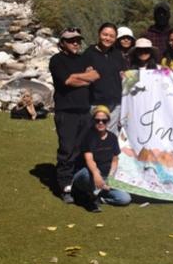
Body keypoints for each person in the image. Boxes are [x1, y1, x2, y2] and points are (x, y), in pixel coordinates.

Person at [49, 27, 99, 203]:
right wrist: (85, 77)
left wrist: (81, 78)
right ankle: (65, 187)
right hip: (66, 112)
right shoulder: (56, 60)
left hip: (84, 111)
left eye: (78, 40)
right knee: (67, 149)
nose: (76, 43)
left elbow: (94, 76)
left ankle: (78, 183)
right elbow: (67, 81)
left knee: (82, 149)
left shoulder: (83, 58)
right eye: (71, 40)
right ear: (62, 43)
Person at [72, 105, 131, 212]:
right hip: (89, 174)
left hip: (104, 177)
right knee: (87, 174)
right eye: (97, 120)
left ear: (108, 121)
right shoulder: (88, 136)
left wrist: (110, 178)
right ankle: (85, 192)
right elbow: (89, 159)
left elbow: (115, 159)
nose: (100, 123)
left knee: (125, 199)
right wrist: (96, 174)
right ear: (93, 121)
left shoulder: (113, 137)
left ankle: (99, 196)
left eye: (104, 120)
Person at [83, 23, 124, 135]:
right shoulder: (89, 53)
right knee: (96, 134)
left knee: (112, 135)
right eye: (105, 34)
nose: (108, 38)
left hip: (115, 103)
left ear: (115, 38)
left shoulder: (117, 54)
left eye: (111, 36)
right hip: (97, 102)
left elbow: (123, 74)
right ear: (99, 34)